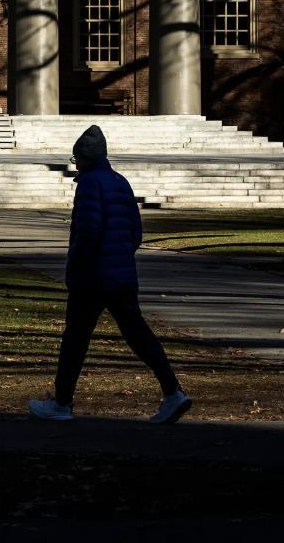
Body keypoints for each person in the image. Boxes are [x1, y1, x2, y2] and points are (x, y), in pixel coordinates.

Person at [29, 124, 191, 424]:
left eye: (76, 158)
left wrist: (77, 266)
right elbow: (135, 232)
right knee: (138, 333)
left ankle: (62, 403)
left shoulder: (90, 184)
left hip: (92, 276)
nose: (75, 163)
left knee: (75, 339)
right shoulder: (120, 182)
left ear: (85, 158)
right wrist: (120, 257)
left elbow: (87, 231)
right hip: (121, 275)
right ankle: (173, 391)